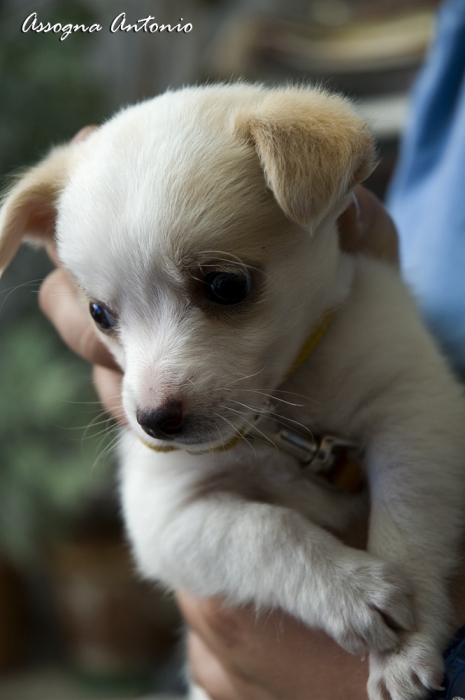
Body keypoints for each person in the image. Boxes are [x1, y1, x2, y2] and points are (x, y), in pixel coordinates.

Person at [38, 0, 465, 694]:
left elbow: (421, 425)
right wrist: (311, 570)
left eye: (224, 288)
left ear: (325, 199)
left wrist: (414, 617)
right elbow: (166, 531)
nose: (151, 395)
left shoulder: (371, 318)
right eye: (106, 315)